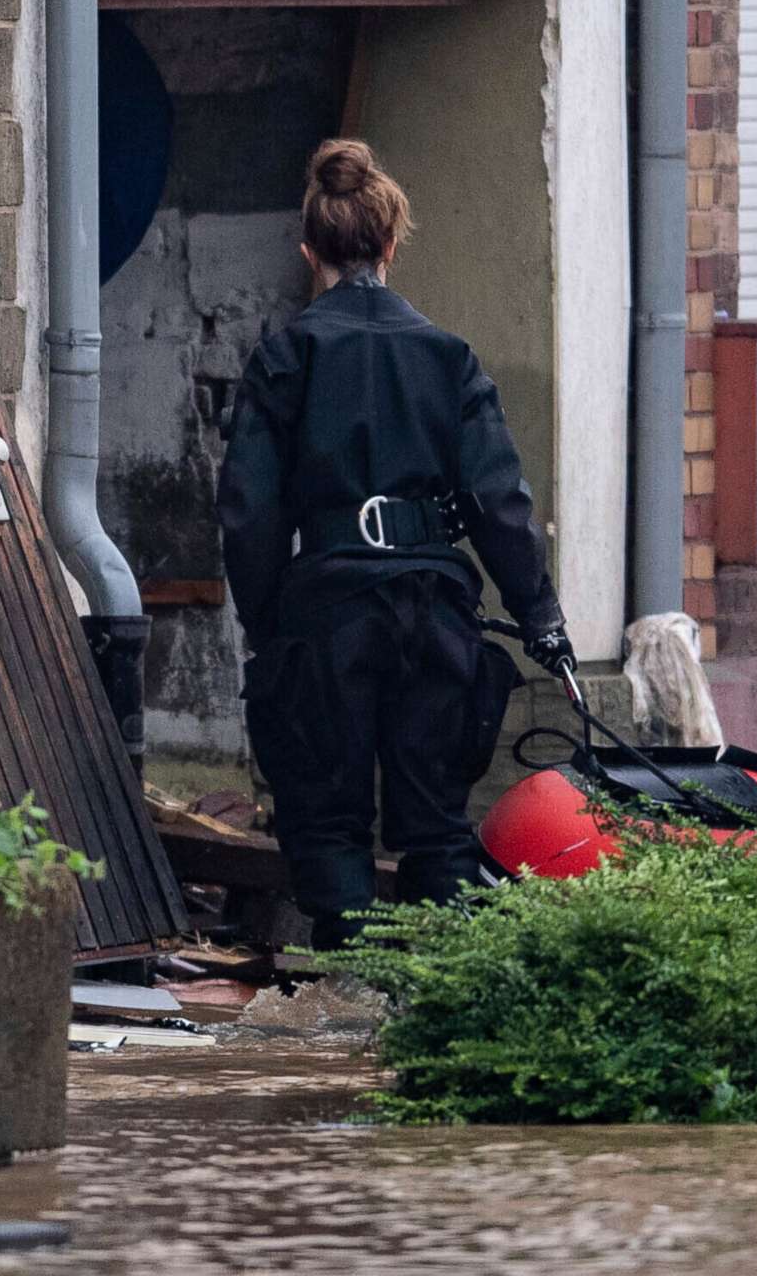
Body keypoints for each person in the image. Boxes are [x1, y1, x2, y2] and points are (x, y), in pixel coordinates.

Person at [218, 139, 568, 950]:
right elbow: (499, 501)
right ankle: (429, 1003)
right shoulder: (447, 357)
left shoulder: (286, 356)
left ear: (311, 250)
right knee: (437, 824)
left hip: (328, 609)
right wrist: (540, 619)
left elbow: (249, 512)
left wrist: (271, 626)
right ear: (390, 244)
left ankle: (349, 992)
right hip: (433, 609)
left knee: (330, 820)